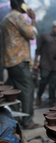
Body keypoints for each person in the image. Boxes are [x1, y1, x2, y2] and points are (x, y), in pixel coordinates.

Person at [0, 0, 42, 129]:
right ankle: (28, 122)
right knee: (28, 89)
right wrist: (33, 19)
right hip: (19, 61)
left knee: (11, 90)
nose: (26, 6)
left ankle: (15, 119)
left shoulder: (6, 19)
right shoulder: (17, 17)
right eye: (24, 3)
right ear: (19, 4)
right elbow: (32, 34)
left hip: (9, 61)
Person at [33, 20, 56, 106]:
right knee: (43, 82)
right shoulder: (44, 36)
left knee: (53, 84)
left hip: (55, 65)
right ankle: (39, 96)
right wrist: (35, 63)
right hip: (45, 64)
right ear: (53, 27)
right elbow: (37, 50)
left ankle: (52, 101)